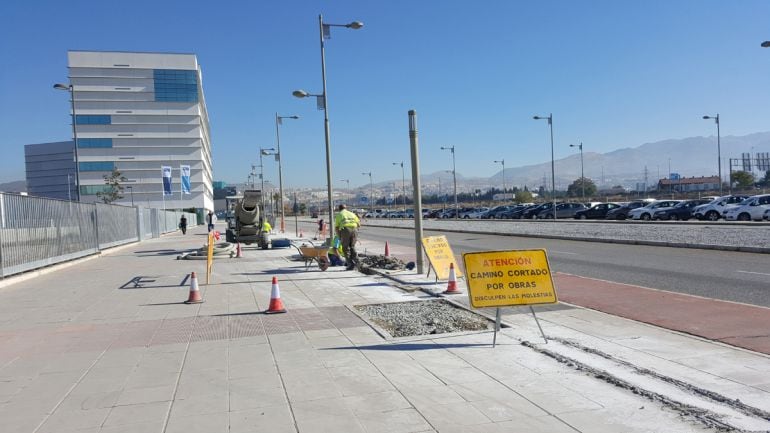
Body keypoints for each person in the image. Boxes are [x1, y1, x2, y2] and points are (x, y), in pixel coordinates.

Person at [334, 204, 360, 270]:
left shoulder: (339, 214)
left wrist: (339, 236)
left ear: (339, 209)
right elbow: (359, 224)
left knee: (345, 248)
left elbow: (336, 227)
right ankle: (357, 261)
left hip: (345, 230)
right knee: (352, 246)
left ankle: (350, 264)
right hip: (354, 229)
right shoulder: (352, 214)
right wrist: (356, 231)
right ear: (346, 208)